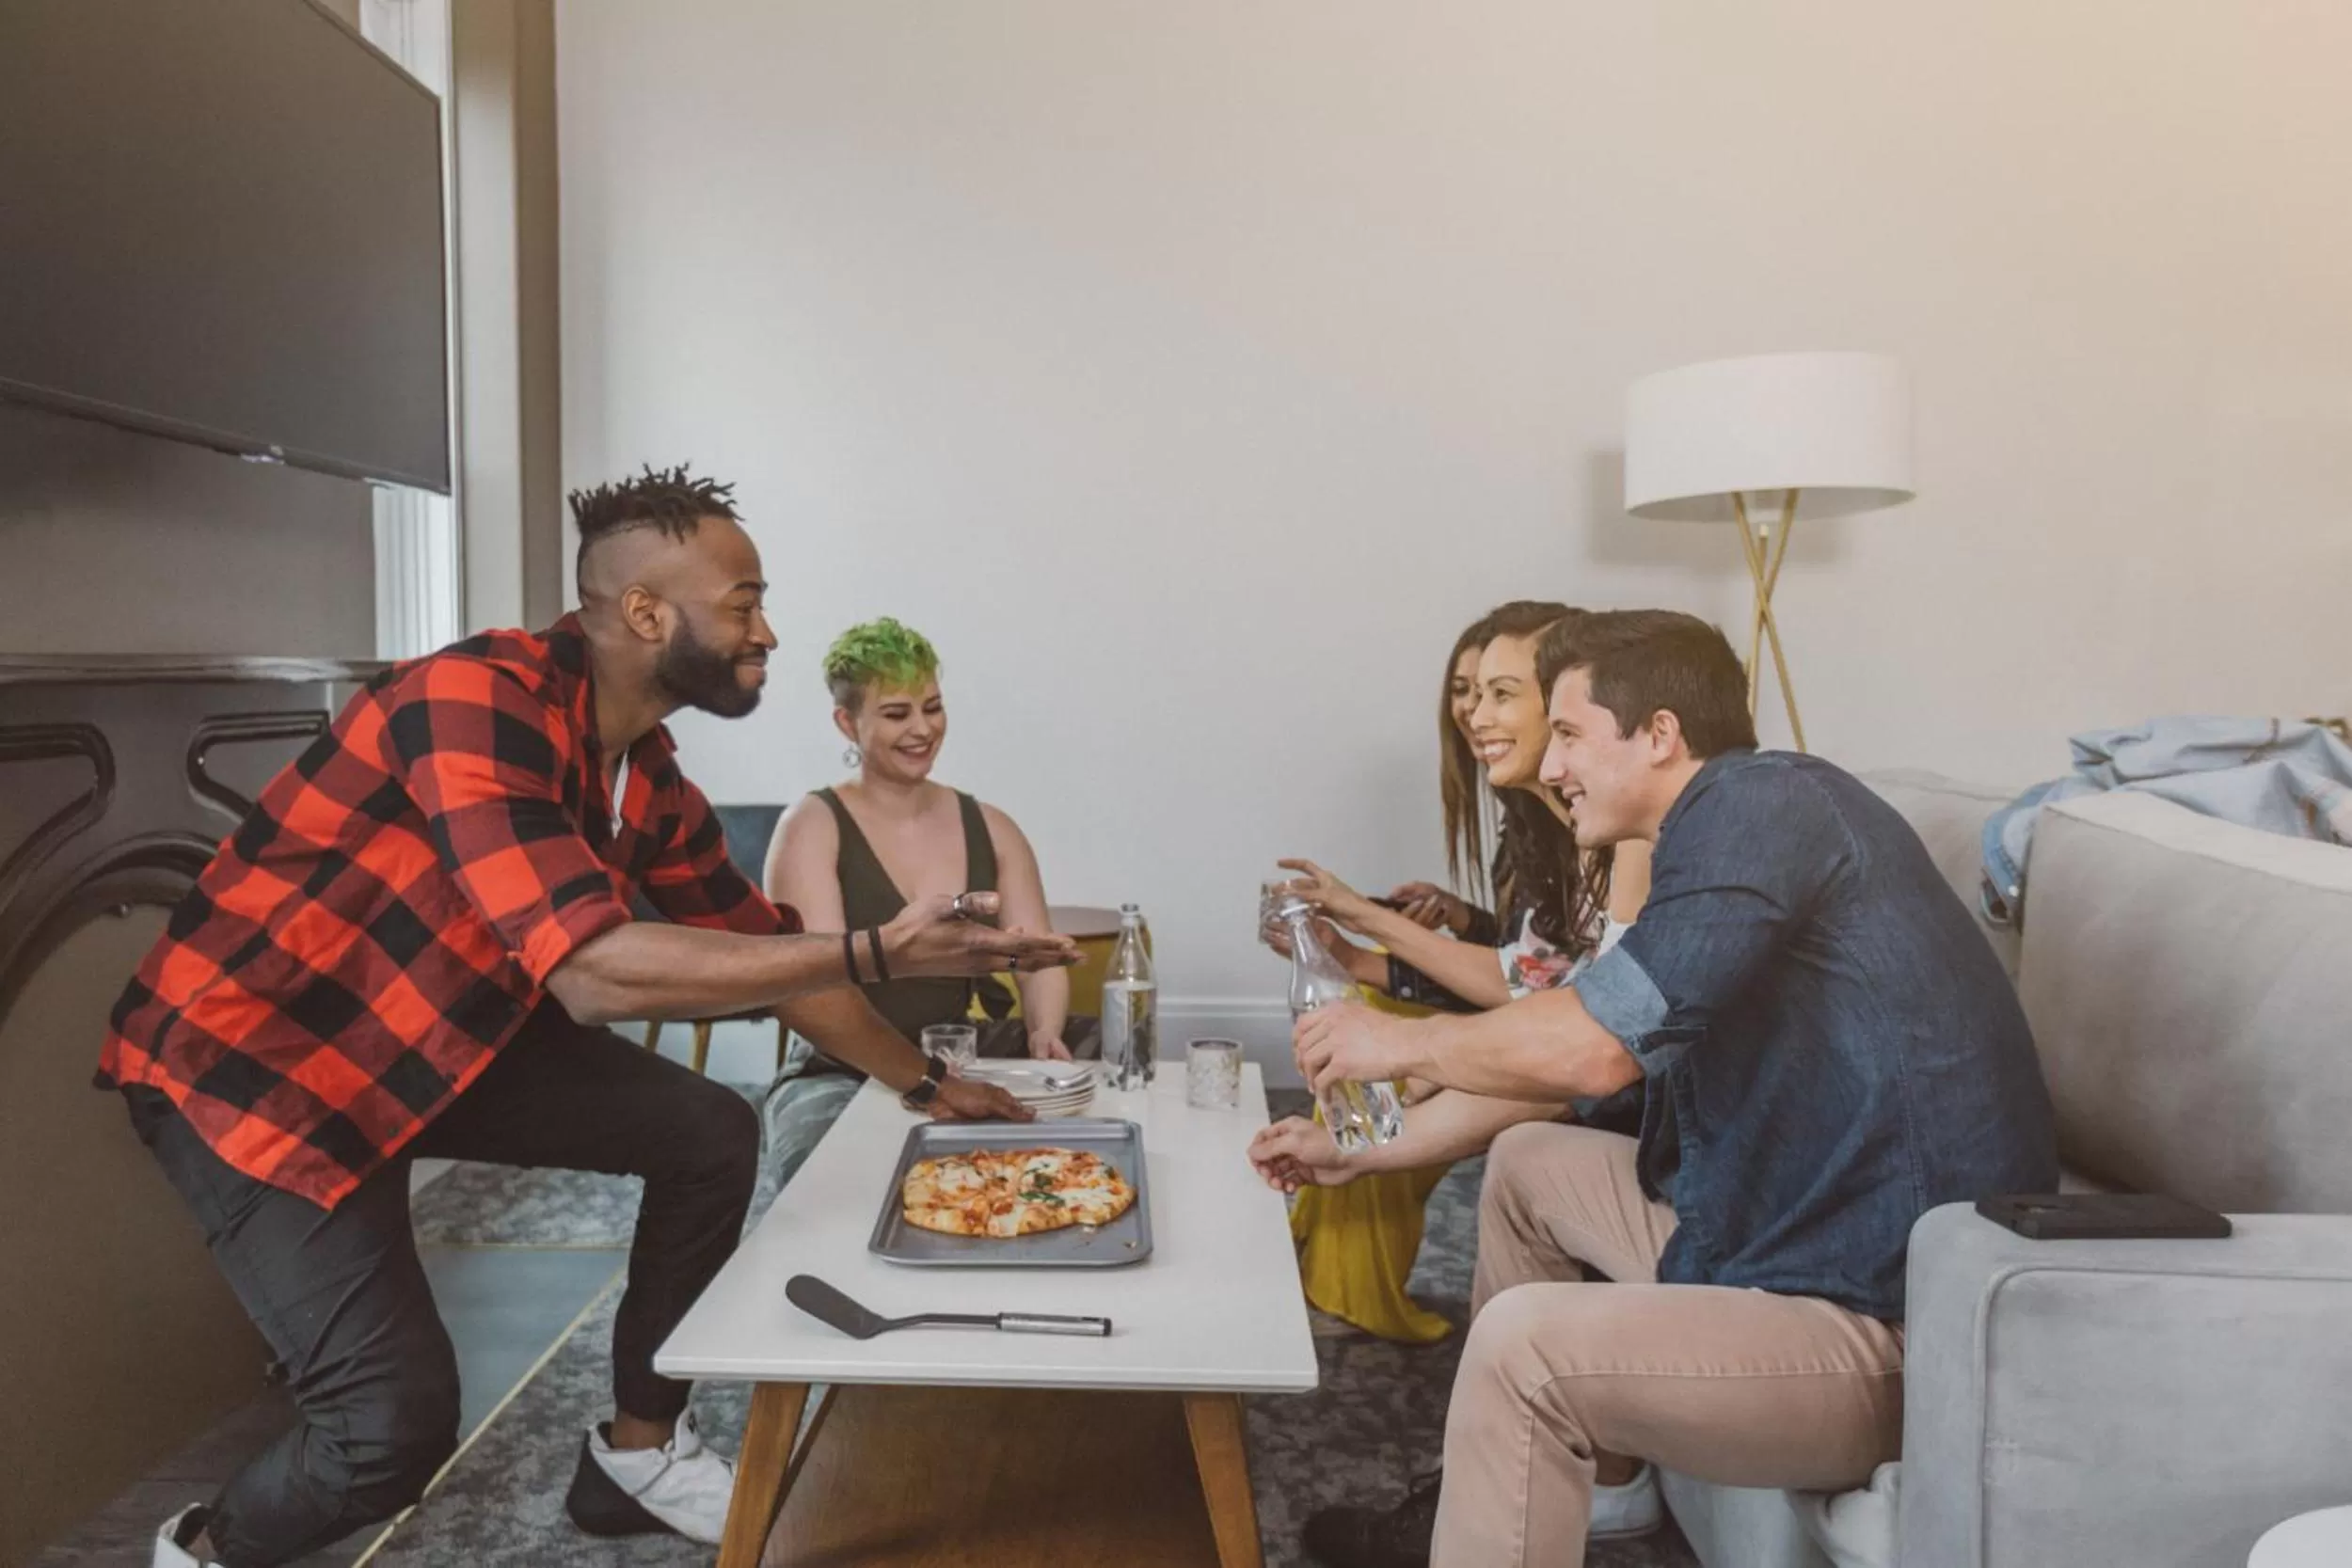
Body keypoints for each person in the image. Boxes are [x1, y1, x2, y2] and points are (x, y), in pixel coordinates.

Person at [103, 466, 1076, 1568]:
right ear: (648, 612)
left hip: (441, 1045)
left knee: (708, 1130)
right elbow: (593, 973)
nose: (767, 629)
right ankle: (204, 1549)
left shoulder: (644, 774)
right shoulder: (470, 698)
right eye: (745, 600)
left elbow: (772, 961)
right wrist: (880, 943)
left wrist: (931, 1086)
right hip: (258, 1069)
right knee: (386, 1433)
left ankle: (637, 1452)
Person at [1255, 610, 2058, 1568]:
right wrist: (1359, 1149)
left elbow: (1591, 1050)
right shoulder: (1715, 844)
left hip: (1872, 1318)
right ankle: (1599, 1492)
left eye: (1569, 733)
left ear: (1661, 732)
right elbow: (1552, 1079)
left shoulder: (1761, 805)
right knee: (1528, 1165)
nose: (1552, 767)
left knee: (1526, 1347)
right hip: (1772, 1243)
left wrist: (1397, 1044)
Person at [1269, 605, 1651, 1344]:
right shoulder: (1560, 828)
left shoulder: (1622, 834)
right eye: (1468, 693)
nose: (1475, 714)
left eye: (1500, 693)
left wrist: (1414, 1042)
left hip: (1615, 1094)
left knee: (1384, 1041)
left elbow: (1567, 1023)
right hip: (1577, 1065)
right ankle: (1340, 1275)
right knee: (1370, 1041)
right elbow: (1540, 984)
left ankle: (1362, 1288)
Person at [756, 617, 1093, 1189]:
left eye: (932, 707)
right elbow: (821, 990)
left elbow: (1034, 959)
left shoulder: (992, 825)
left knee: (1095, 1068)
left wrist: (1043, 1033)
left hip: (955, 1051)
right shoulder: (812, 826)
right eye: (896, 714)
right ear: (847, 723)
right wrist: (924, 1080)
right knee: (832, 1178)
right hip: (841, 1068)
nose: (922, 729)